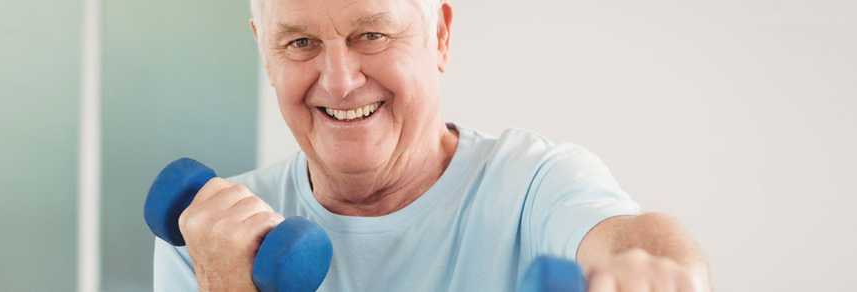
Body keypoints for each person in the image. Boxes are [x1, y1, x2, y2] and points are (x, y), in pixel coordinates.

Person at [154, 0, 711, 291]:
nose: (341, 80)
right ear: (266, 54)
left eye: (370, 34)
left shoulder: (534, 185)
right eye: (300, 42)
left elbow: (626, 236)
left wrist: (657, 270)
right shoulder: (213, 235)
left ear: (440, 37)